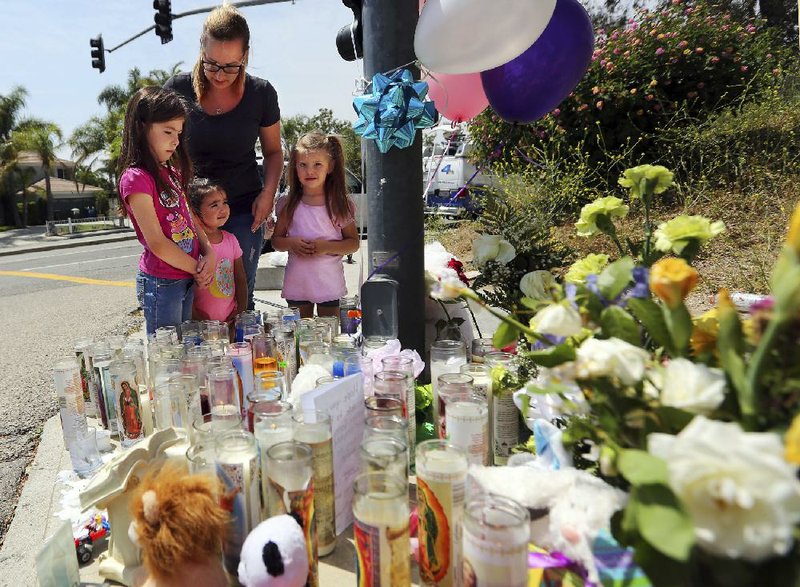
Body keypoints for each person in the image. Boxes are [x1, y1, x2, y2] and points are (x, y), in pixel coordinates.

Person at [164, 4, 283, 311]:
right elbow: (159, 150)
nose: (220, 75)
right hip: (188, 214)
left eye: (231, 66)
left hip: (243, 208)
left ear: (245, 56)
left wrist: (268, 194)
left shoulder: (261, 93)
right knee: (190, 296)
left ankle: (239, 356)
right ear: (201, 49)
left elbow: (273, 152)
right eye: (212, 64)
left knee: (240, 295)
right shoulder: (177, 90)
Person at [118, 87, 215, 336]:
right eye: (168, 132)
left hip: (186, 276)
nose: (175, 140)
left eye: (179, 133)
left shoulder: (172, 174)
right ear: (141, 127)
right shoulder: (136, 178)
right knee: (168, 356)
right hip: (163, 282)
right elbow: (157, 243)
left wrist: (209, 252)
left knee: (183, 350)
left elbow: (191, 220)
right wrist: (197, 268)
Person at [272, 132, 359, 319]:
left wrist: (326, 247)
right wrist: (292, 243)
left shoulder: (338, 204)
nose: (309, 171)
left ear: (330, 166)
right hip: (297, 283)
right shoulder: (288, 204)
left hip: (329, 284)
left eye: (317, 164)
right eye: (303, 165)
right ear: (295, 167)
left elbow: (353, 243)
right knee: (300, 338)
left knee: (329, 335)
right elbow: (276, 242)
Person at [188, 179, 247, 326]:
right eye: (214, 205)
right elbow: (186, 287)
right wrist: (197, 318)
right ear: (195, 212)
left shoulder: (231, 240)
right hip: (201, 323)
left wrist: (240, 312)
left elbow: (240, 278)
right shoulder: (192, 245)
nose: (223, 209)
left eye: (224, 202)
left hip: (230, 319)